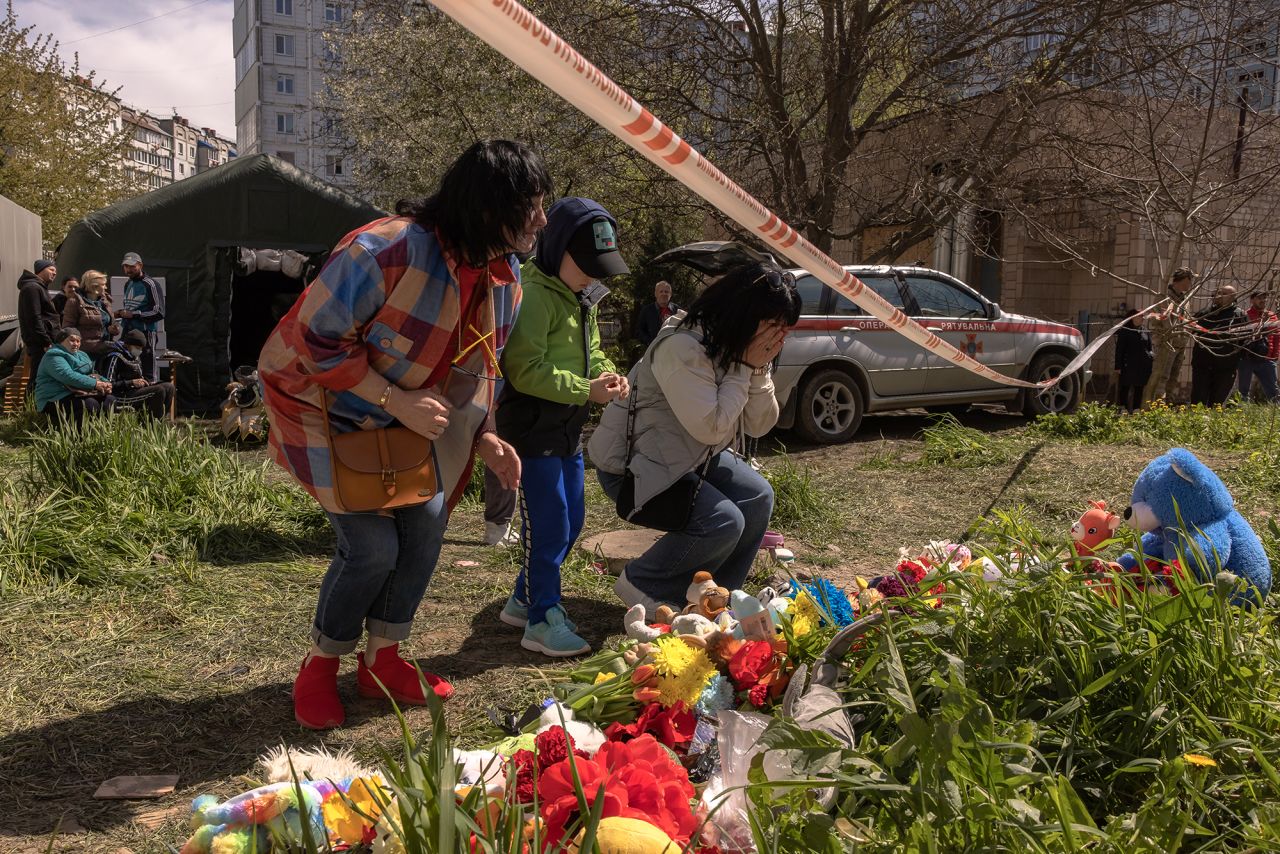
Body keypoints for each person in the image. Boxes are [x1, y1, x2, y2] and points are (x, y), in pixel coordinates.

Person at [258, 139, 547, 730]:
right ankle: (321, 666)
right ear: (491, 209)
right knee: (370, 548)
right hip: (322, 404)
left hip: (408, 419)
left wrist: (485, 436)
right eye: (533, 205)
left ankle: (382, 661)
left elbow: (481, 368)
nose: (543, 219)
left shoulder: (506, 280)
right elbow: (315, 338)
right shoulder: (385, 250)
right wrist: (394, 399)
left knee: (424, 529)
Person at [588, 261, 800, 611]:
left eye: (783, 329)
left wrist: (758, 369)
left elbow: (760, 425)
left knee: (758, 496)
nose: (778, 338)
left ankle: (717, 599)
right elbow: (712, 426)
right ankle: (644, 582)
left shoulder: (734, 347)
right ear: (744, 314)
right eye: (773, 326)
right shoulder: (683, 347)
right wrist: (745, 367)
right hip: (632, 471)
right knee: (724, 521)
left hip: (687, 460)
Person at [495, 197, 630, 657]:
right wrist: (584, 389)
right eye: (586, 264)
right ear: (555, 249)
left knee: (571, 522)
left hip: (567, 429)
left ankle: (522, 598)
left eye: (600, 266)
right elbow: (523, 368)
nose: (594, 275)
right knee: (549, 525)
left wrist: (609, 375)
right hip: (533, 429)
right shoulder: (533, 294)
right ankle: (541, 618)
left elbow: (593, 354)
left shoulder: (581, 298)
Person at [33, 328, 115, 426]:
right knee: (90, 405)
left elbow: (93, 373)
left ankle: (101, 432)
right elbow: (67, 376)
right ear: (61, 341)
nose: (76, 344)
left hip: (78, 391)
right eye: (72, 340)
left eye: (78, 341)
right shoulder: (53, 356)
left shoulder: (82, 355)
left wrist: (105, 383)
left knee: (109, 400)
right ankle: (77, 436)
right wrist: (95, 384)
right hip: (54, 396)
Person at [1190, 285, 1247, 407]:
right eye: (1219, 292)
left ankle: (1213, 423)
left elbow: (1245, 341)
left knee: (1217, 403)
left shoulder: (1239, 315)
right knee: (1198, 400)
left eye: (1224, 293)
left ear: (1232, 297)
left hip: (1225, 367)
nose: (1219, 295)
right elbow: (1192, 330)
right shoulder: (1205, 313)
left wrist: (1236, 359)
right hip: (1202, 365)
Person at [1144, 267, 1195, 404]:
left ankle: (1167, 405)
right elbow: (1157, 320)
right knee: (1162, 377)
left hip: (1181, 344)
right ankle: (1156, 405)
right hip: (1166, 343)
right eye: (1189, 281)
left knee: (1173, 378)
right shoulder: (1164, 298)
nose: (1190, 285)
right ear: (1183, 279)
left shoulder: (1185, 300)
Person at [114, 252, 165, 382]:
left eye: (132, 266)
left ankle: (151, 394)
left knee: (148, 367)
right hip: (128, 332)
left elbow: (159, 312)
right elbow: (130, 308)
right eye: (126, 266)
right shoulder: (128, 284)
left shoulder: (150, 284)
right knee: (125, 363)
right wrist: (120, 313)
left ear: (140, 265)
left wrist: (134, 314)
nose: (128, 269)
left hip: (145, 332)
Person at [101, 330, 176, 419]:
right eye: (137, 347)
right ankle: (152, 426)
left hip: (135, 391)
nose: (139, 351)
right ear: (128, 345)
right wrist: (131, 383)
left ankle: (161, 421)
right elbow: (108, 385)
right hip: (120, 395)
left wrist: (145, 382)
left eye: (141, 348)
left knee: (169, 387)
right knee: (159, 391)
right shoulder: (115, 357)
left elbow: (139, 377)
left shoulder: (135, 357)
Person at [16, 259, 61, 385]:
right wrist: (45, 341)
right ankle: (31, 403)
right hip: (40, 344)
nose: (54, 273)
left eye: (55, 271)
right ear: (41, 270)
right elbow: (33, 319)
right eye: (51, 269)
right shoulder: (32, 288)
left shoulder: (39, 287)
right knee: (37, 378)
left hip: (43, 342)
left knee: (42, 377)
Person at [62, 270, 117, 359]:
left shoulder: (105, 301)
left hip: (105, 349)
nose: (105, 287)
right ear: (93, 286)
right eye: (102, 285)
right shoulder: (74, 302)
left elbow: (111, 323)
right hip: (85, 352)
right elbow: (68, 329)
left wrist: (113, 329)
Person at [1237, 290, 1279, 403]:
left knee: (1273, 391)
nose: (1263, 300)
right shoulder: (1245, 315)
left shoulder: (1272, 316)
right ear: (1252, 300)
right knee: (1243, 391)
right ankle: (1241, 413)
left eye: (1264, 298)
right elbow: (1242, 337)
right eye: (1259, 298)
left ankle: (1275, 414)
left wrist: (1274, 356)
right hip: (1247, 359)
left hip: (1267, 359)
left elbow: (1276, 337)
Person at [1113, 309, 1153, 413]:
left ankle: (1136, 408)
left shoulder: (1145, 331)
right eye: (1140, 316)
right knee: (1125, 386)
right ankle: (1123, 407)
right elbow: (1119, 350)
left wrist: (1150, 357)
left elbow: (1150, 348)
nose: (1142, 318)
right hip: (1128, 364)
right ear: (1133, 317)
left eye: (1143, 316)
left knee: (1139, 387)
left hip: (1142, 365)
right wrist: (1118, 366)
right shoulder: (1125, 331)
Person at [635, 279, 679, 349]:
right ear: (656, 294)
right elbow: (639, 331)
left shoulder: (677, 310)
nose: (664, 294)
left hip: (674, 349)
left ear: (670, 294)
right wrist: (650, 342)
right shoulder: (647, 310)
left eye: (666, 292)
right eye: (661, 291)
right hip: (654, 350)